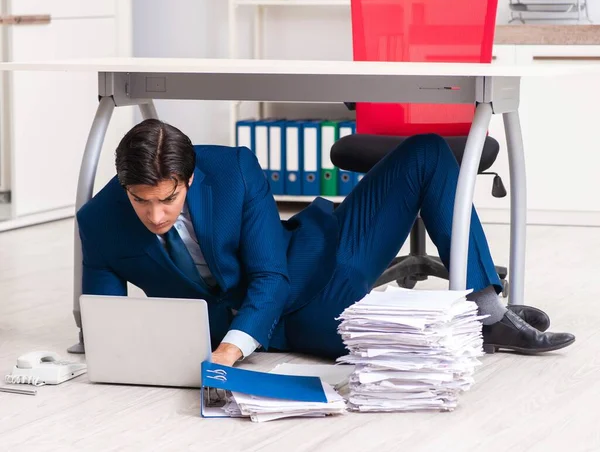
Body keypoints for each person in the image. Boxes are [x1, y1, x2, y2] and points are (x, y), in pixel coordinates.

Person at [77, 119, 575, 366]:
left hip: (312, 273)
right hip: (308, 324)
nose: (157, 215)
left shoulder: (232, 170)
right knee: (409, 350)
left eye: (168, 199)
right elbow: (107, 321)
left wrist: (227, 355)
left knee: (426, 152)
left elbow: (271, 276)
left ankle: (487, 311)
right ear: (125, 187)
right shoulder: (100, 221)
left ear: (189, 177)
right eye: (142, 202)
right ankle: (471, 327)